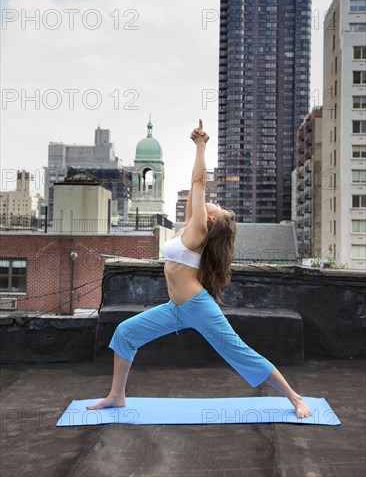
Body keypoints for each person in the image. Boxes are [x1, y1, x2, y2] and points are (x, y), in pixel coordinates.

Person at [87, 120, 311, 418]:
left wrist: (201, 146)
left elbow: (198, 183)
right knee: (126, 332)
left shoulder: (198, 232)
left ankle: (295, 398)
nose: (213, 203)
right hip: (176, 308)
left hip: (197, 306)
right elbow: (196, 188)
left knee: (239, 353)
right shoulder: (190, 224)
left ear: (211, 222)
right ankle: (117, 396)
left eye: (216, 207)